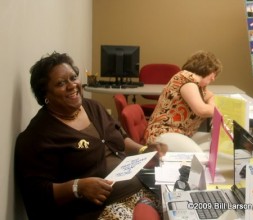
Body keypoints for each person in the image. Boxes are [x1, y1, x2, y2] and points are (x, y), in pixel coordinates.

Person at [15, 52, 167, 220]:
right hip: (100, 210)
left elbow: (120, 137)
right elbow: (36, 193)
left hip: (142, 191)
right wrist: (77, 187)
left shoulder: (93, 107)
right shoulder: (38, 135)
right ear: (45, 95)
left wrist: (144, 150)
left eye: (73, 78)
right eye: (61, 83)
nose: (72, 85)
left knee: (187, 201)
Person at [144, 50, 222, 144]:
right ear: (207, 68)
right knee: (204, 153)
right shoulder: (186, 80)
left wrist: (213, 109)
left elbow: (211, 96)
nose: (213, 79)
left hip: (179, 134)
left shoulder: (197, 85)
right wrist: (218, 111)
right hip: (163, 135)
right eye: (214, 74)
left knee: (214, 143)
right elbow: (202, 110)